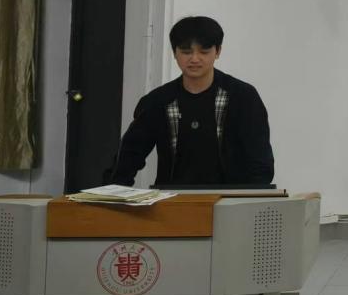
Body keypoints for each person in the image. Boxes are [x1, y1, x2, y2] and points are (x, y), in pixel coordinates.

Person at [109, 16, 274, 187]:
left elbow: (260, 160)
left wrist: (251, 197)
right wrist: (114, 193)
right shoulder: (158, 100)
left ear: (218, 51)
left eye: (204, 52)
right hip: (171, 198)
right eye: (186, 52)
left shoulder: (243, 97)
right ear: (175, 53)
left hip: (230, 198)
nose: (195, 59)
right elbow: (129, 155)